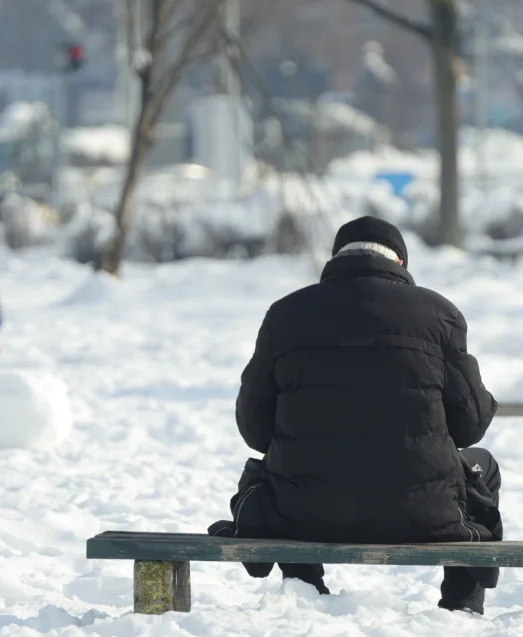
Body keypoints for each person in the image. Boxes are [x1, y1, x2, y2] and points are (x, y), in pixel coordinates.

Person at [207, 216, 502, 615]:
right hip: (424, 512)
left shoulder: (284, 315)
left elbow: (255, 431)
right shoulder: (440, 316)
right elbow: (470, 427)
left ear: (336, 260)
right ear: (400, 262)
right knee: (484, 467)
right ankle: (461, 604)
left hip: (301, 512)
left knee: (279, 469)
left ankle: (304, 589)